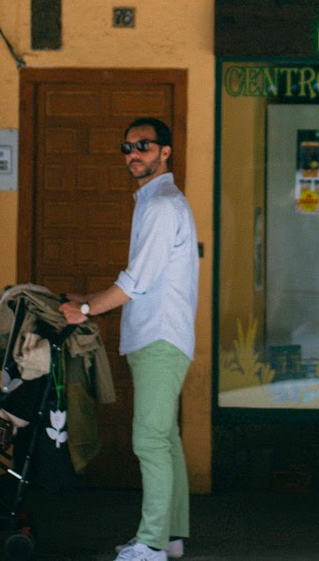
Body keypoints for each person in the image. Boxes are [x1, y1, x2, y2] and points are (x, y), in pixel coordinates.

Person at [60, 117, 199, 561]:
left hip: (160, 337)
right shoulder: (153, 201)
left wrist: (85, 309)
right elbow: (144, 279)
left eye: (143, 145)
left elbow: (136, 280)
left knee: (150, 440)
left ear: (165, 152)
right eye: (126, 147)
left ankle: (152, 544)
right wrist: (90, 299)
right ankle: (172, 536)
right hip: (157, 335)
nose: (133, 153)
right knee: (166, 438)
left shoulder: (161, 206)